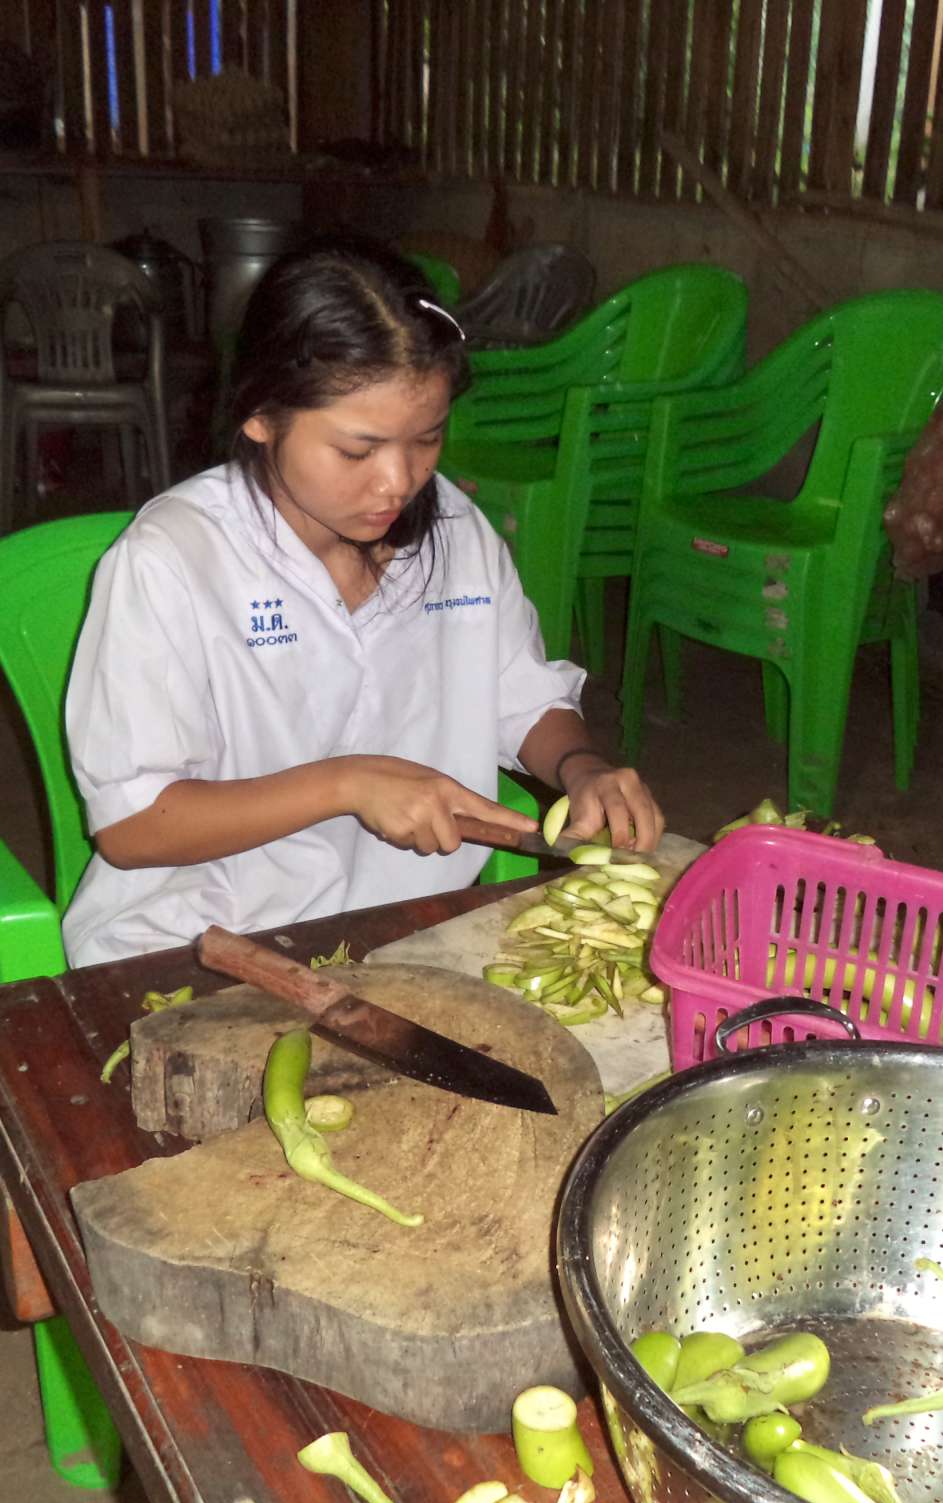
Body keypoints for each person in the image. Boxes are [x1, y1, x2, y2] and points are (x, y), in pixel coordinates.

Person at [60, 234, 665, 965]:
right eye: (357, 450)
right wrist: (347, 783)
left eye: (427, 439)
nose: (398, 482)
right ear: (260, 416)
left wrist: (581, 766)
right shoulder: (173, 559)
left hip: (404, 929)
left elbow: (521, 696)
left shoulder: (454, 531)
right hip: (202, 937)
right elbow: (133, 828)